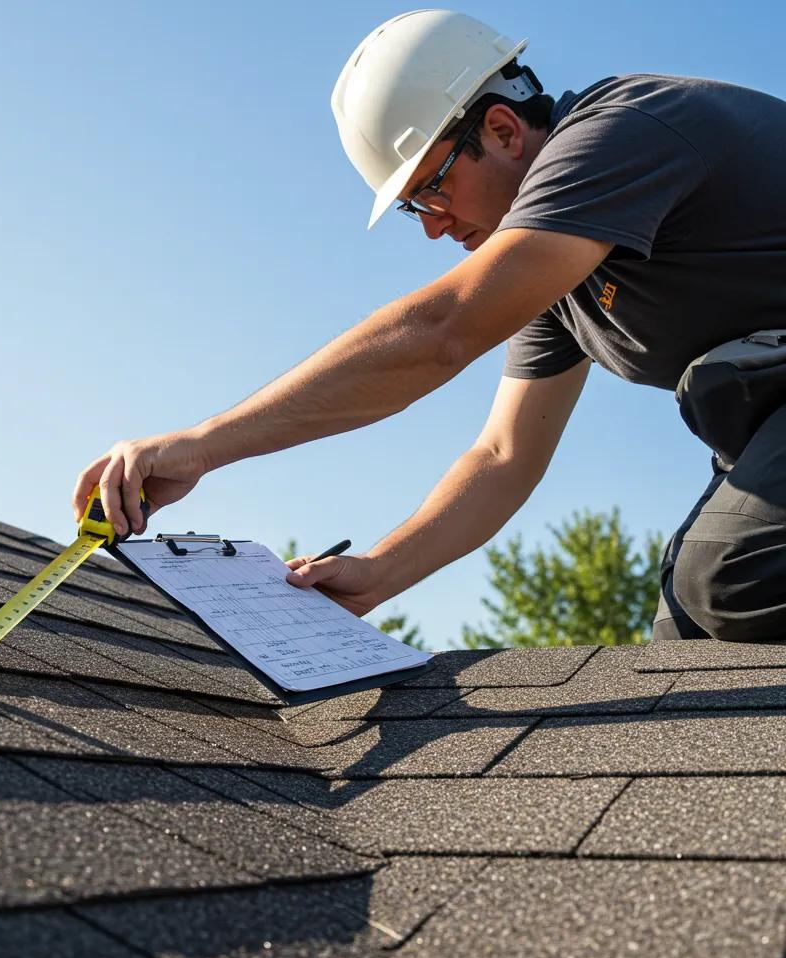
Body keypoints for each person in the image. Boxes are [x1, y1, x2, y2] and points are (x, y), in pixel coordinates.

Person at [73, 9, 786, 642]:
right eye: (415, 208)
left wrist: (202, 446)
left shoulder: (619, 135)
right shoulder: (560, 278)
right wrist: (383, 571)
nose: (434, 228)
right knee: (693, 637)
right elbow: (504, 456)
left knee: (726, 581)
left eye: (431, 191)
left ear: (503, 130)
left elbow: (441, 331)